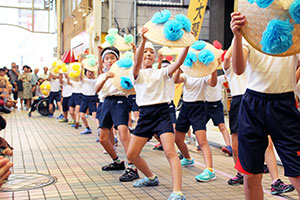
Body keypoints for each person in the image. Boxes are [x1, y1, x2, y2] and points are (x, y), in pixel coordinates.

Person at [230, 12, 300, 199]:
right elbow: (238, 69)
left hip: (284, 104)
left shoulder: (295, 24)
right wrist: (237, 36)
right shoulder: (250, 25)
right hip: (253, 104)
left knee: (297, 172)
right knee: (251, 175)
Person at [126, 28, 189, 200]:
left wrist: (187, 44)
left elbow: (178, 63)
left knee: (170, 152)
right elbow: (137, 60)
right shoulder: (135, 74)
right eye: (145, 51)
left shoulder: (162, 72)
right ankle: (151, 178)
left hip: (162, 114)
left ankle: (177, 191)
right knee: (131, 155)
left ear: (155, 57)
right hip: (145, 115)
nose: (148, 54)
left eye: (151, 52)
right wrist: (143, 40)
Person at [96, 45, 138, 182]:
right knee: (103, 138)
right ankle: (117, 161)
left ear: (117, 59)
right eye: (106, 58)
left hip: (120, 101)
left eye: (112, 58)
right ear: (103, 62)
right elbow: (96, 90)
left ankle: (132, 167)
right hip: (106, 103)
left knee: (123, 133)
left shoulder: (124, 72)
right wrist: (105, 78)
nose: (109, 61)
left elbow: (134, 78)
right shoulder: (103, 75)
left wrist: (135, 51)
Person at [174, 63, 218, 182]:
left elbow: (213, 83)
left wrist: (213, 69)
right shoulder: (187, 74)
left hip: (199, 108)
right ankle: (188, 158)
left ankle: (210, 170)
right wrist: (178, 67)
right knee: (177, 138)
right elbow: (176, 80)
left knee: (202, 141)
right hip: (185, 107)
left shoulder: (203, 75)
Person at [205, 74, 232, 156]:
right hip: (204, 104)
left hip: (216, 105)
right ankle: (200, 144)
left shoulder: (219, 79)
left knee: (222, 126)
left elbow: (228, 74)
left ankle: (229, 146)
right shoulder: (201, 79)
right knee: (200, 126)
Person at [79, 56, 98, 135]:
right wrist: (82, 68)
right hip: (84, 98)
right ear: (86, 72)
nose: (90, 73)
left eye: (91, 72)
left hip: (92, 98)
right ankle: (87, 128)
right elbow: (80, 77)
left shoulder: (95, 80)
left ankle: (99, 131)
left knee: (95, 115)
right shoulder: (84, 80)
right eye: (88, 71)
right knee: (82, 115)